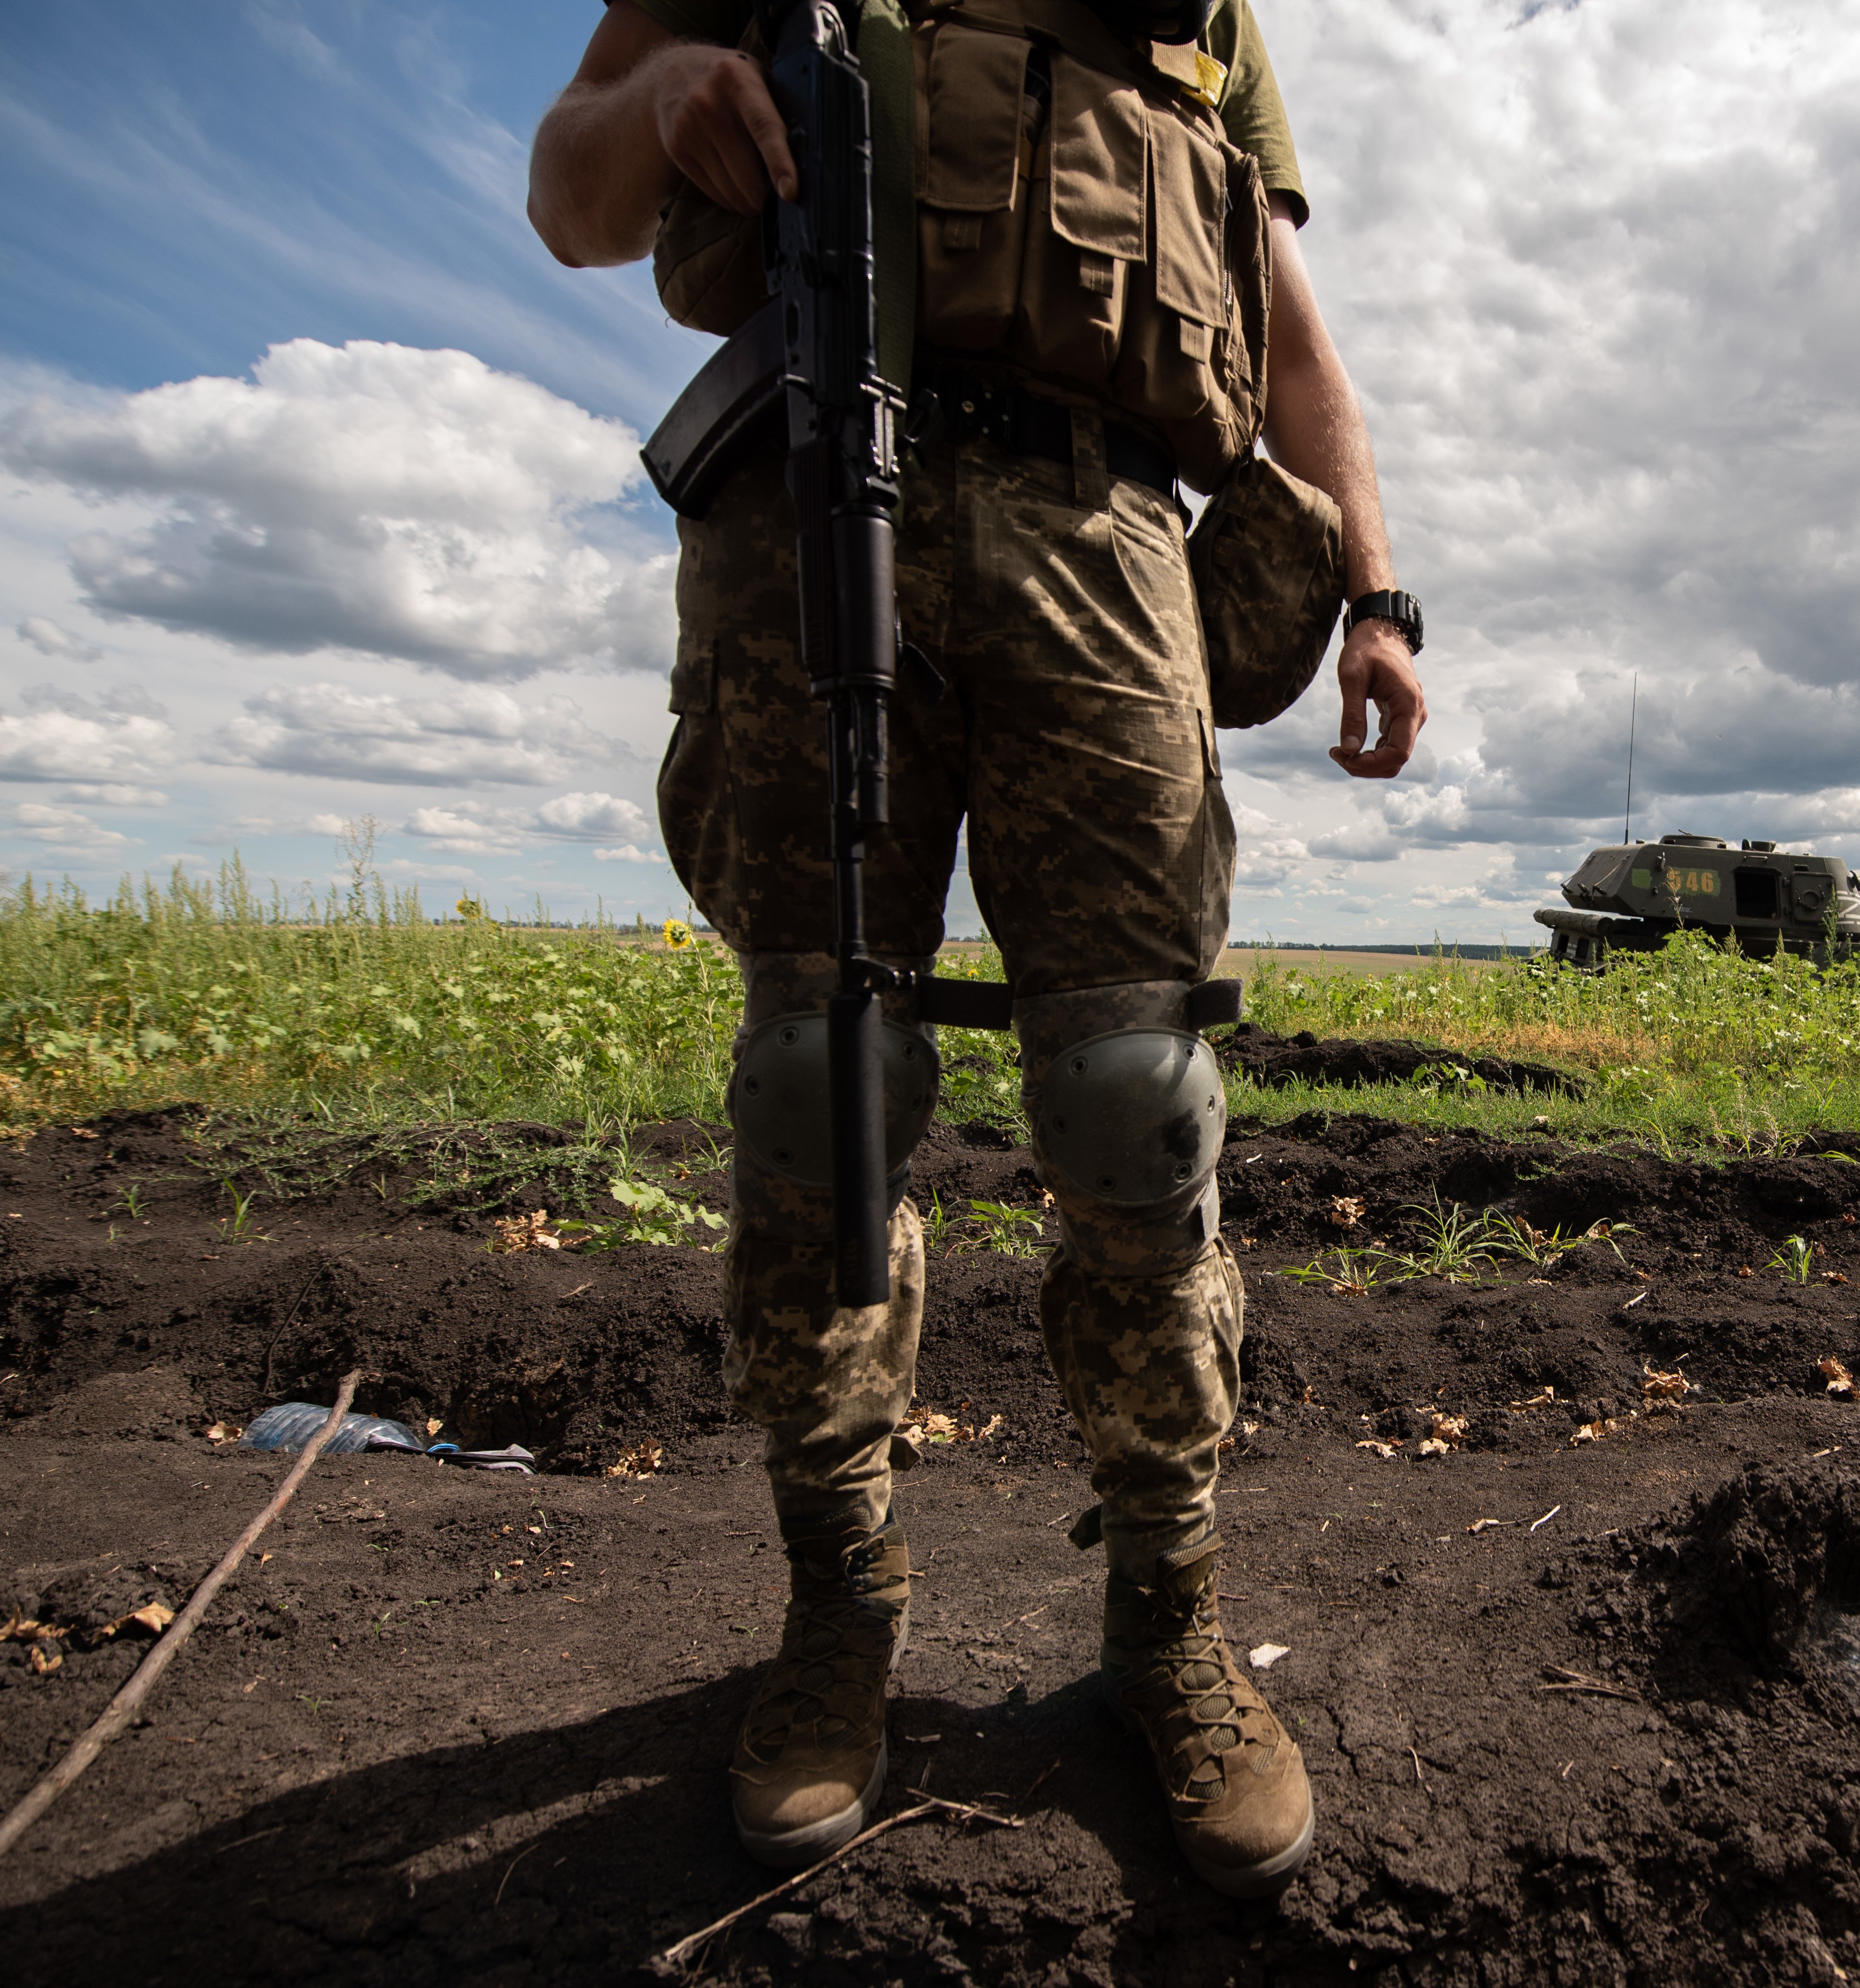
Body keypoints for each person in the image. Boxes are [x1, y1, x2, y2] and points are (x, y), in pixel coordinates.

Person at [526, 0, 1424, 1900]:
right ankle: (840, 1606)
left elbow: (1275, 311)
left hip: (1108, 541)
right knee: (818, 1084)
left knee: (1133, 1096)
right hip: (805, 502)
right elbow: (569, 191)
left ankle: (1165, 1621)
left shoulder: (1205, 16)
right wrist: (669, 101)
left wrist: (1374, 588)